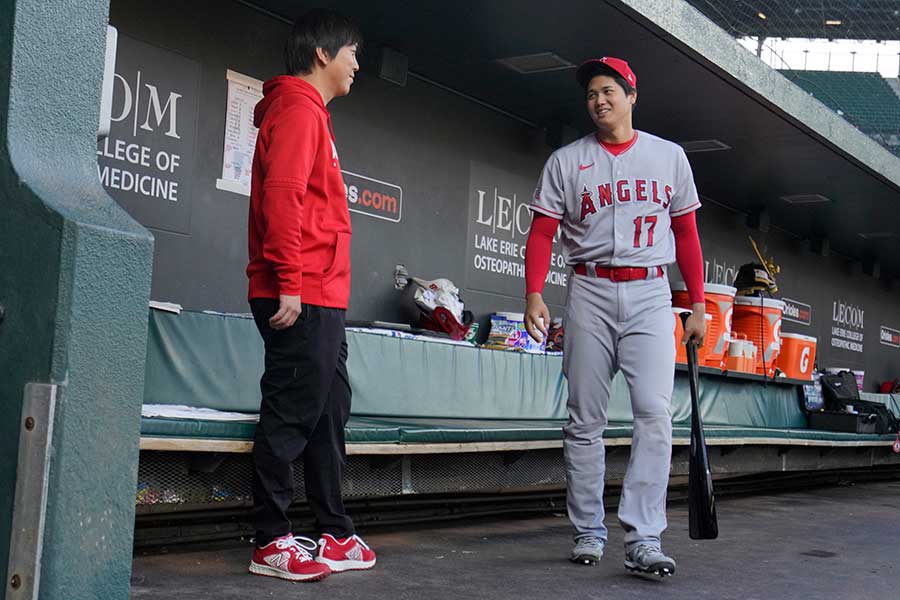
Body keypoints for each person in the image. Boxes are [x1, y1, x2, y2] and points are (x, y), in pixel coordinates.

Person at [524, 57, 706, 577]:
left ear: (631, 96)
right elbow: (542, 233)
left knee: (653, 414)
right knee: (584, 419)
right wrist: (534, 293)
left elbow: (687, 234)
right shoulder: (566, 160)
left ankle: (644, 536)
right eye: (590, 94)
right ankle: (587, 530)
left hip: (650, 293)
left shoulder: (668, 157)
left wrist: (697, 303)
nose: (598, 100)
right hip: (589, 289)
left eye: (608, 90)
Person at [245, 8, 375, 582]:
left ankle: (334, 532)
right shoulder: (298, 106)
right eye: (352, 52)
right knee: (290, 414)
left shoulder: (311, 113)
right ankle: (271, 540)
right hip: (300, 292)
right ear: (323, 54)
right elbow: (283, 199)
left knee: (327, 415)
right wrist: (291, 285)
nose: (356, 63)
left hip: (322, 295)